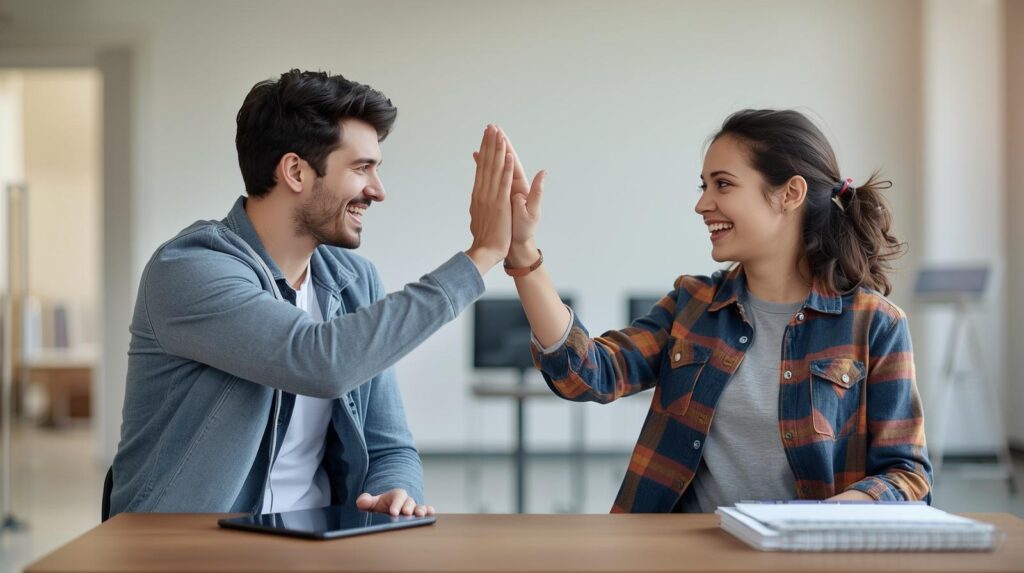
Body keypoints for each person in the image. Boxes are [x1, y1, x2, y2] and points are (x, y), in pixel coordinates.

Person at [107, 69, 516, 518]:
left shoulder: (354, 281)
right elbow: (321, 360)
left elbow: (391, 447)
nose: (378, 190)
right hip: (186, 552)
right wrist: (481, 255)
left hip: (317, 543)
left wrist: (393, 490)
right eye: (362, 169)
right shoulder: (188, 270)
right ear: (296, 171)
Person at [498, 109, 932, 512]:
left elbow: (909, 475)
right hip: (679, 555)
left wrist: (829, 517)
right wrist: (523, 253)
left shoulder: (875, 324)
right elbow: (588, 373)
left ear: (790, 193)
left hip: (804, 558)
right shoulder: (692, 305)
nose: (702, 203)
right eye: (704, 186)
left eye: (722, 184)